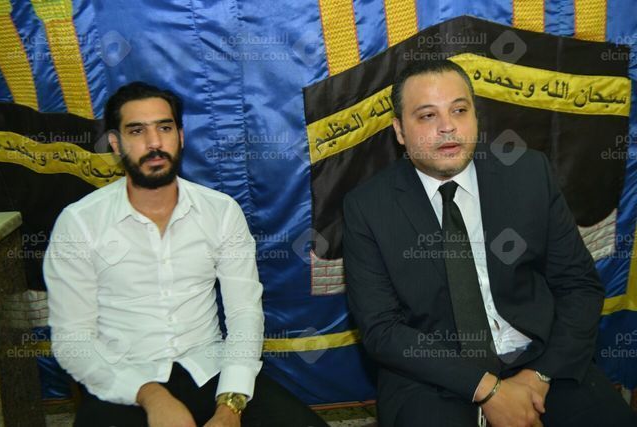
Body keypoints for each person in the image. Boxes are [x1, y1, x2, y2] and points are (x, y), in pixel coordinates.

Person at [343, 60, 637, 427]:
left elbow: (579, 286)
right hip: (434, 378)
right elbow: (381, 329)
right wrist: (489, 390)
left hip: (540, 361)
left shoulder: (528, 173)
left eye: (459, 110)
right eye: (427, 116)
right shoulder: (368, 207)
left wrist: (537, 377)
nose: (448, 126)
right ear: (399, 131)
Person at [43, 82, 327, 427]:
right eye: (137, 131)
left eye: (164, 128)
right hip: (123, 380)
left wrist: (231, 404)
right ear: (115, 143)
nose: (154, 143)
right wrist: (150, 395)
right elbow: (72, 340)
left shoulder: (220, 211)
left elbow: (244, 314)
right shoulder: (79, 222)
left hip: (210, 371)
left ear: (180, 136)